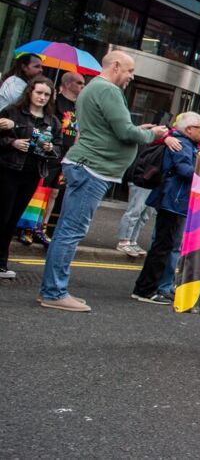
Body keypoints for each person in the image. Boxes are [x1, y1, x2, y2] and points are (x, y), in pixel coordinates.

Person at [38, 51, 174, 312]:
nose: (132, 77)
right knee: (70, 232)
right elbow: (124, 132)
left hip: (87, 166)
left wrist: (138, 131)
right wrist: (152, 134)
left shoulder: (91, 89)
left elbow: (109, 128)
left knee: (67, 230)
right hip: (93, 169)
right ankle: (54, 292)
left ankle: (53, 289)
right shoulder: (109, 91)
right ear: (116, 66)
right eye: (130, 71)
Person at [152, 102, 200, 301]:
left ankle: (167, 283)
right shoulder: (188, 133)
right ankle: (158, 285)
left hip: (197, 197)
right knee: (166, 242)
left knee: (179, 243)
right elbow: (167, 140)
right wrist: (167, 138)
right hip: (177, 195)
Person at [129, 112, 200, 304]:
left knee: (163, 246)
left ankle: (146, 288)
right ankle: (145, 290)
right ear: (189, 129)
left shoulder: (186, 143)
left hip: (174, 201)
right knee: (162, 248)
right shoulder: (183, 144)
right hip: (173, 201)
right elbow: (184, 169)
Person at [0, 76, 62, 279]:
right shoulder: (12, 112)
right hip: (8, 170)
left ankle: (1, 263)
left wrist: (50, 147)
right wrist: (12, 143)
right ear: (30, 92)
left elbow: (58, 148)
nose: (42, 97)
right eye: (39, 93)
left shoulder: (52, 121)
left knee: (13, 219)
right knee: (3, 215)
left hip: (32, 173)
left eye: (46, 94)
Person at [42, 72, 85, 240]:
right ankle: (33, 226)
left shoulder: (80, 106)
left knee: (57, 192)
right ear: (67, 84)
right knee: (45, 190)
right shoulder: (54, 102)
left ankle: (46, 228)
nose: (82, 86)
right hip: (53, 150)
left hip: (69, 154)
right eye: (79, 83)